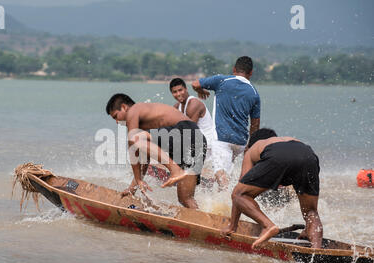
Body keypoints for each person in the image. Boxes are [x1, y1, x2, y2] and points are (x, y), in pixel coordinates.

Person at [220, 128, 323, 249]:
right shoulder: (286, 141)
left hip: (278, 156)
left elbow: (239, 192)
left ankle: (268, 226)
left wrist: (233, 226)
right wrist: (308, 227)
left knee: (238, 195)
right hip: (308, 155)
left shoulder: (253, 149)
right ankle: (316, 250)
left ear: (249, 146)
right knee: (311, 212)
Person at [105, 93, 207, 209]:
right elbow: (144, 158)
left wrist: (138, 179)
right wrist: (133, 187)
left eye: (115, 116)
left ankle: (175, 170)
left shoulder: (134, 110)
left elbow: (133, 144)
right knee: (185, 198)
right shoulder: (144, 129)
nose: (117, 122)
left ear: (124, 107)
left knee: (135, 138)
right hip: (198, 141)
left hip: (185, 131)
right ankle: (203, 222)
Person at [192, 56, 260, 191]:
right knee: (225, 171)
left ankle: (227, 200)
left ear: (234, 69)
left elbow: (195, 84)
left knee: (220, 172)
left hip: (222, 138)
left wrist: (201, 91)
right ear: (251, 73)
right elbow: (255, 124)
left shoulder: (222, 80)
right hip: (240, 142)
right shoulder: (254, 93)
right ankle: (220, 198)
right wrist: (249, 146)